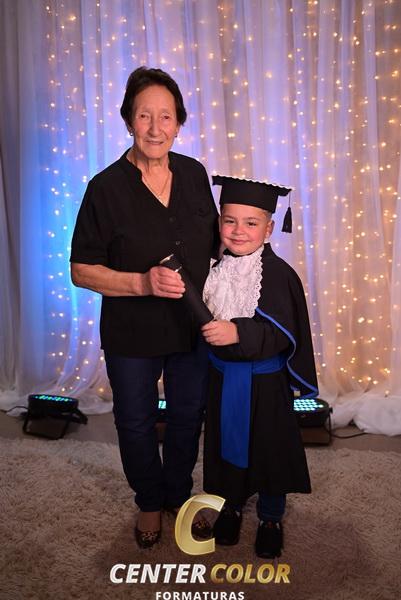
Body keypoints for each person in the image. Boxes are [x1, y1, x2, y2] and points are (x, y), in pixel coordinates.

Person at [70, 67, 219, 548]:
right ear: (128, 120)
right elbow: (81, 270)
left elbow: (213, 245)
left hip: (191, 326)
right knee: (135, 420)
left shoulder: (194, 174)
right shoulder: (105, 188)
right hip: (131, 330)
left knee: (187, 416)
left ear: (179, 123)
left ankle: (178, 495)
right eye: (144, 116)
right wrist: (141, 281)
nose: (156, 128)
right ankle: (149, 502)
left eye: (166, 117)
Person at [201, 175, 318, 558]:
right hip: (222, 378)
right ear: (219, 222)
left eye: (251, 223)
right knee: (225, 446)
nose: (238, 231)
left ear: (268, 229)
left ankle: (270, 518)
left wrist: (238, 332)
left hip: (264, 384)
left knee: (269, 450)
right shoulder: (214, 269)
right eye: (230, 220)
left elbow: (284, 332)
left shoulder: (278, 274)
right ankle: (231, 507)